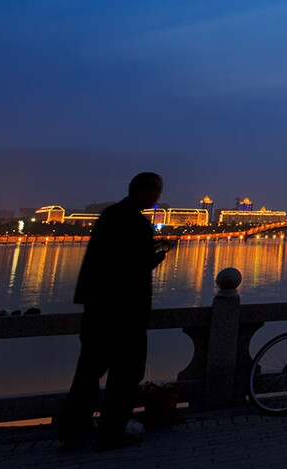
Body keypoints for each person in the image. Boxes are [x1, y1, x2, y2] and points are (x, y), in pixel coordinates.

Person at [57, 172, 173, 451]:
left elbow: (112, 260)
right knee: (125, 375)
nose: (157, 198)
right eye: (156, 193)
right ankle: (112, 432)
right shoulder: (134, 221)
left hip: (98, 309)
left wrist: (151, 252)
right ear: (145, 192)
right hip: (125, 312)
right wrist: (158, 254)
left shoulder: (110, 215)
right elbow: (131, 267)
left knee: (87, 373)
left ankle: (75, 430)